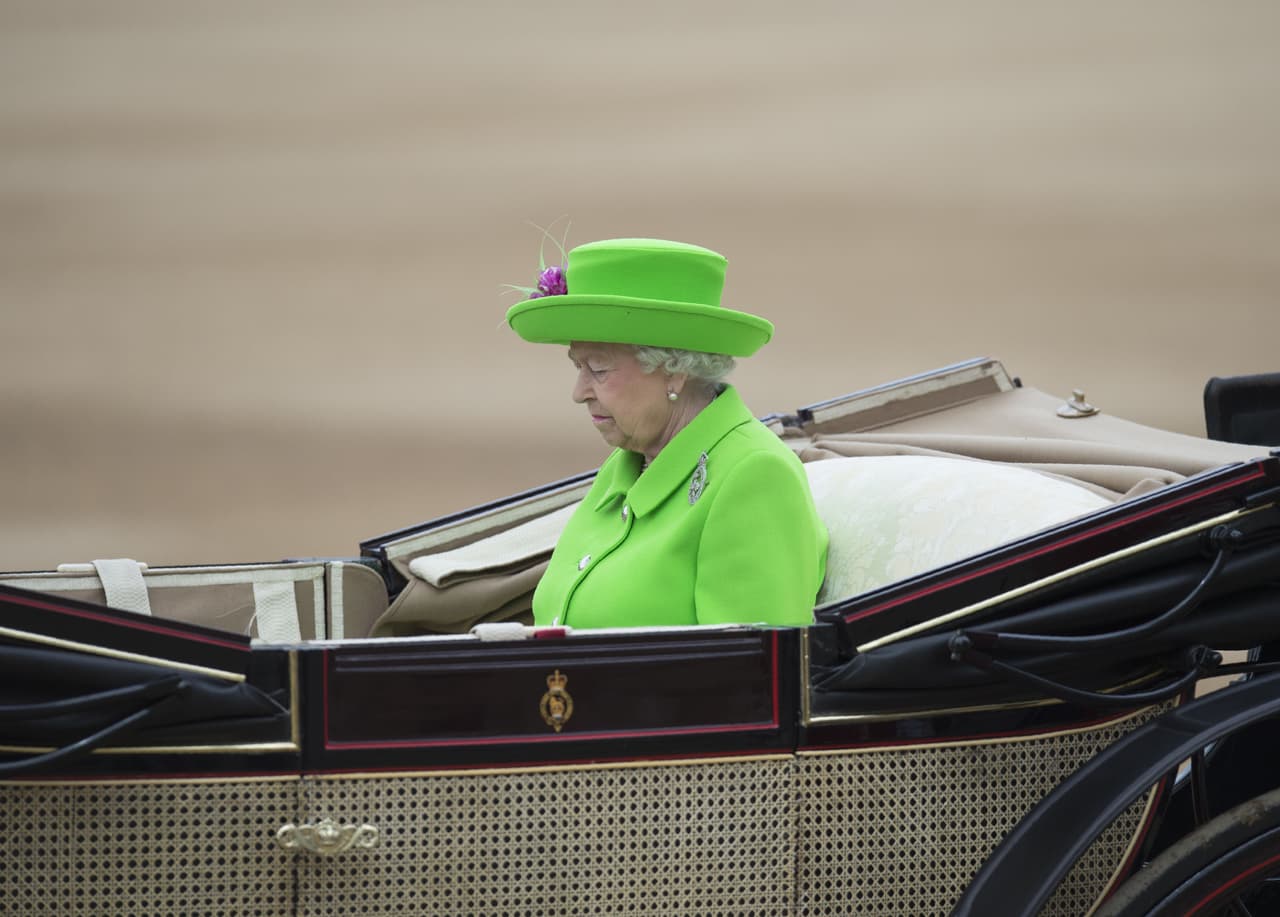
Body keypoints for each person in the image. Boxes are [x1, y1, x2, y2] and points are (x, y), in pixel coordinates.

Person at [506, 237, 827, 628]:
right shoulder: (625, 467)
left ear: (673, 369)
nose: (579, 393)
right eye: (579, 366)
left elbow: (751, 674)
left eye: (599, 369)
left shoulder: (754, 476)